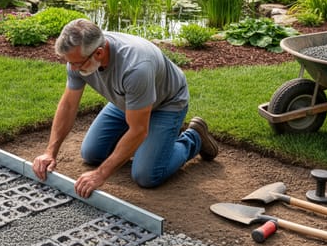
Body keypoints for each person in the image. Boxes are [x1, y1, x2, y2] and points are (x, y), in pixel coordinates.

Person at [32, 18, 218, 198]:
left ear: (98, 53)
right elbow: (69, 105)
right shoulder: (79, 56)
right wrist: (50, 152)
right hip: (127, 101)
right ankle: (150, 145)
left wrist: (100, 174)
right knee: (91, 153)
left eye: (76, 63)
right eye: (69, 62)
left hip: (166, 103)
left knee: (146, 175)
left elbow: (138, 130)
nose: (72, 68)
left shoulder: (136, 67)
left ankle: (194, 138)